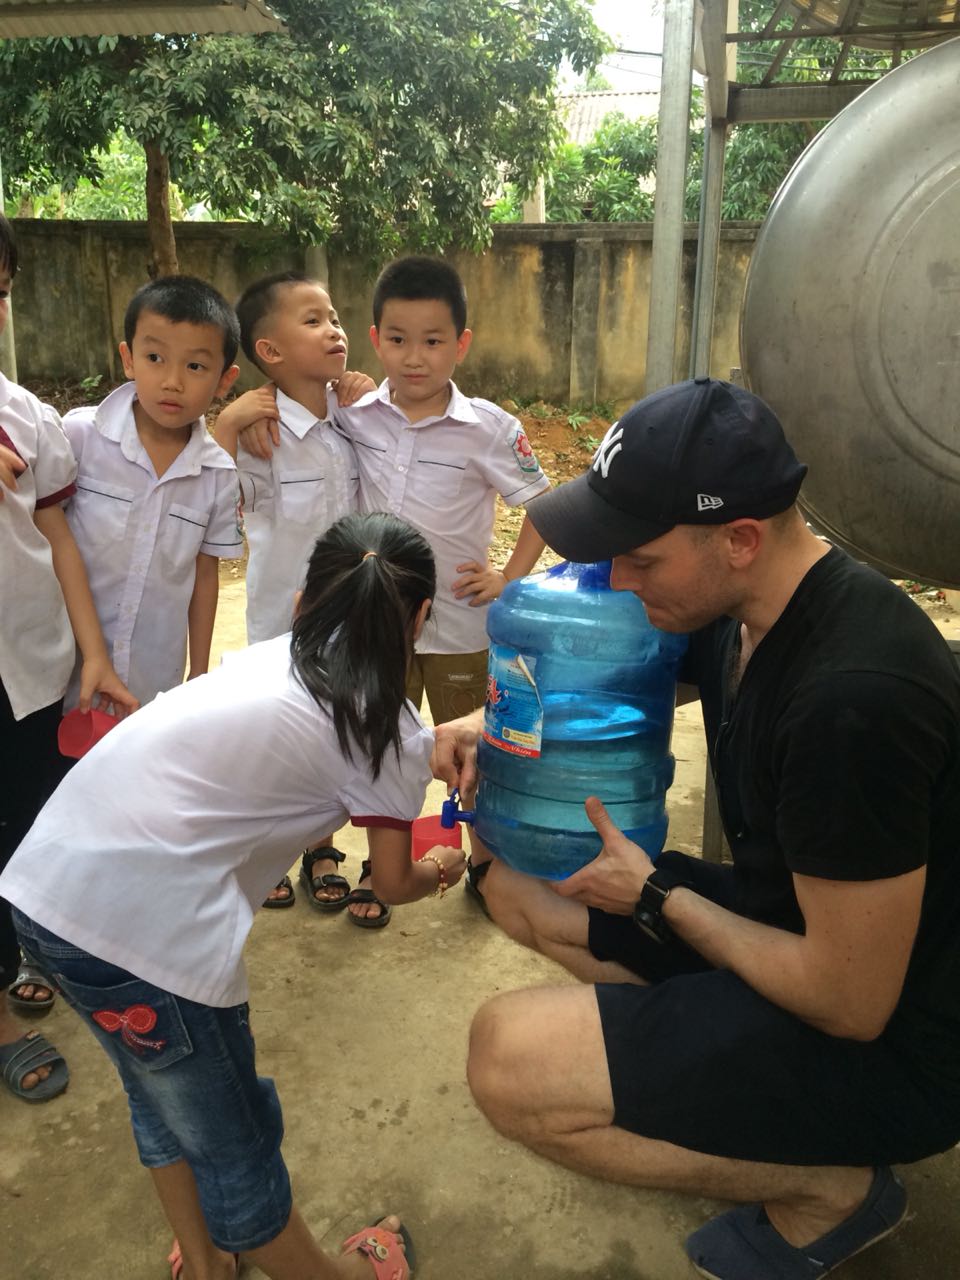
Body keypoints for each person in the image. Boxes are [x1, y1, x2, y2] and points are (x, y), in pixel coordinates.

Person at [433, 378, 960, 1280]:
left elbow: (852, 1002)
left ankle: (828, 1185)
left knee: (507, 1064)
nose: (621, 587)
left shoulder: (853, 698)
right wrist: (492, 729)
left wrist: (659, 896)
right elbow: (606, 684)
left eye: (639, 561)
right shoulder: (739, 610)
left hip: (897, 1037)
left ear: (741, 541)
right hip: (789, 929)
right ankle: (700, 1059)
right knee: (515, 881)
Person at [0, 511, 466, 1279]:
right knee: (235, 1140)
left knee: (158, 1094)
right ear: (420, 621)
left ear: (300, 602)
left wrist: (427, 749)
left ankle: (211, 1263)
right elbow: (390, 881)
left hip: (47, 899)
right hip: (143, 944)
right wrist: (442, 866)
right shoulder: (384, 727)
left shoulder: (270, 660)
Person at [236, 256, 552, 922]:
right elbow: (296, 416)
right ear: (376, 338)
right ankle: (386, 870)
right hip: (379, 629)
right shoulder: (353, 415)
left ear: (461, 344)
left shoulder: (489, 427)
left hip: (462, 624)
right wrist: (243, 415)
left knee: (474, 744)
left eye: (434, 341)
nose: (415, 358)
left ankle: (487, 866)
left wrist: (508, 576)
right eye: (399, 340)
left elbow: (543, 504)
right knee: (385, 747)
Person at [0, 212, 137, 1098]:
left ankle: (24, 954)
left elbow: (55, 536)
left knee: (27, 830)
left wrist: (90, 652)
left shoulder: (26, 416)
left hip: (30, 672)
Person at [214, 272, 373, 914]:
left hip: (354, 616)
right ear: (269, 352)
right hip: (283, 621)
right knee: (281, 734)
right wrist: (227, 425)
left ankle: (323, 847)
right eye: (312, 320)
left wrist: (362, 397)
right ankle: (275, 847)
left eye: (334, 317)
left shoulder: (357, 419)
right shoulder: (262, 433)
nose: (333, 329)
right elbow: (215, 508)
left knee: (339, 731)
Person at [59, 275, 243, 712]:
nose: (172, 381)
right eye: (155, 357)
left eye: (195, 366)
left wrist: (198, 675)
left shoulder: (217, 474)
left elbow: (204, 577)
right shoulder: (79, 438)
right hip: (62, 671)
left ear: (224, 380)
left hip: (151, 680)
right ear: (128, 358)